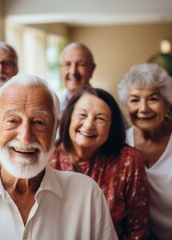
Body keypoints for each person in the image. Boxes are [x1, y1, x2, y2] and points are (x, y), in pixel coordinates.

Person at [0, 74, 118, 239]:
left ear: (55, 129)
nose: (26, 137)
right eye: (12, 121)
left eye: (39, 122)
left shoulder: (86, 195)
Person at [50, 86, 150, 239]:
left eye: (100, 118)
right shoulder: (47, 157)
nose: (89, 125)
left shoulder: (128, 160)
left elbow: (137, 229)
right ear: (69, 117)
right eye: (82, 115)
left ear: (111, 127)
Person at [118, 63, 172, 240]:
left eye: (152, 99)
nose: (143, 108)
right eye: (135, 100)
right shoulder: (121, 143)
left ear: (167, 103)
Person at [59, 42, 96, 113]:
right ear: (61, 68)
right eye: (67, 64)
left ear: (92, 69)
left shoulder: (101, 106)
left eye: (81, 64)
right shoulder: (55, 105)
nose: (73, 72)